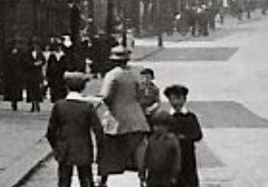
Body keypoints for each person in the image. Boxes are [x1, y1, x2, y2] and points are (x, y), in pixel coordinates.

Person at [98, 45, 150, 187]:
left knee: (108, 149)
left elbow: (106, 96)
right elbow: (141, 96)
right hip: (136, 117)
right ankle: (142, 178)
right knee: (139, 147)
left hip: (117, 118)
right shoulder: (136, 74)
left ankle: (103, 180)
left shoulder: (112, 75)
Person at [46, 72, 103, 187]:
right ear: (83, 88)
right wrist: (100, 153)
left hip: (64, 149)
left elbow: (50, 131)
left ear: (67, 87)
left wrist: (56, 147)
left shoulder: (59, 106)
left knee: (64, 181)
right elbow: (98, 131)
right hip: (84, 149)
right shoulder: (87, 107)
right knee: (86, 180)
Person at [164, 84, 202, 187]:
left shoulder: (190, 117)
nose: (176, 102)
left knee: (188, 180)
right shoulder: (166, 118)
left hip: (187, 156)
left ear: (184, 99)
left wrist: (184, 138)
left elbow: (198, 135)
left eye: (179, 98)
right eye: (173, 99)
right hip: (170, 157)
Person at [140, 110, 181, 187]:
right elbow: (146, 156)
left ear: (167, 126)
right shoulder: (152, 140)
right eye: (155, 125)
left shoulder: (172, 140)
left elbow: (176, 159)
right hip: (152, 175)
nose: (156, 128)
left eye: (159, 126)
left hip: (166, 175)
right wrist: (142, 173)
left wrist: (174, 175)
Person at [24, 37, 46, 112]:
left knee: (37, 90)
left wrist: (40, 63)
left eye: (35, 44)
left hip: (37, 74)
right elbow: (25, 62)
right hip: (30, 74)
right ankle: (33, 104)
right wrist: (33, 64)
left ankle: (37, 103)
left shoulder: (39, 52)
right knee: (31, 89)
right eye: (33, 44)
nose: (34, 46)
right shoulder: (27, 53)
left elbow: (43, 60)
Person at [3, 40, 25, 111]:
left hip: (18, 74)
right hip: (11, 75)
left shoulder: (20, 53)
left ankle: (15, 101)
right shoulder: (9, 53)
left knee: (17, 89)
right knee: (12, 89)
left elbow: (23, 63)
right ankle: (13, 101)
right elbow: (6, 64)